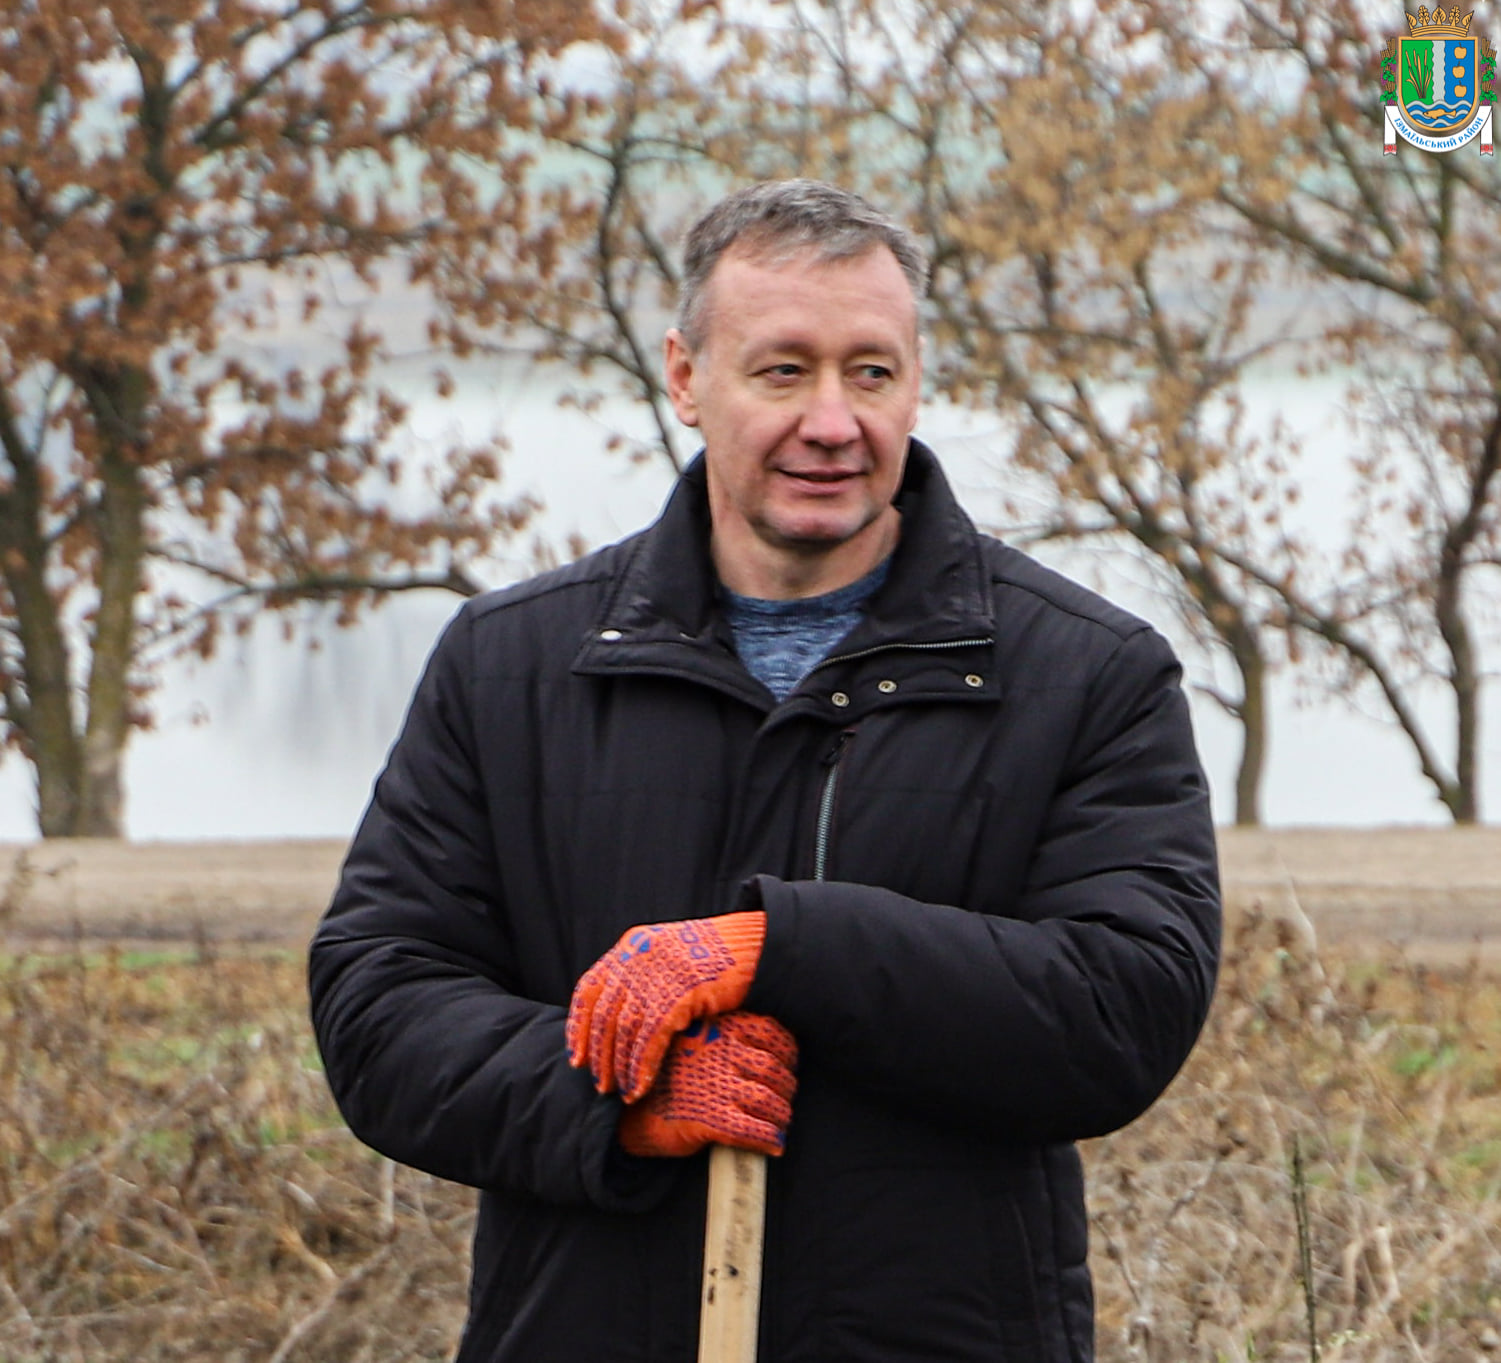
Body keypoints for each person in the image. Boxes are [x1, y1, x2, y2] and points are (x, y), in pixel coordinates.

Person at [308, 178, 1221, 1362]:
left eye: (872, 371)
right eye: (783, 370)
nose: (833, 421)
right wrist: (619, 1105)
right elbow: (380, 1003)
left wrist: (783, 948)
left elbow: (1121, 1009)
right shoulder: (515, 664)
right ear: (687, 378)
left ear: (916, 380)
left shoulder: (1082, 671)